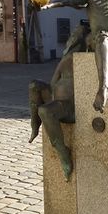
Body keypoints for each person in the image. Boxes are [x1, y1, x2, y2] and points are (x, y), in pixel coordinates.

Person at [28, 20, 90, 181]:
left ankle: (63, 152)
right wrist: (51, 93)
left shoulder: (86, 59)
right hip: (59, 100)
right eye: (73, 35)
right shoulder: (66, 60)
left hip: (71, 105)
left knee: (45, 111)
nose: (72, 38)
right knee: (34, 85)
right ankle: (35, 126)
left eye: (76, 35)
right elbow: (53, 83)